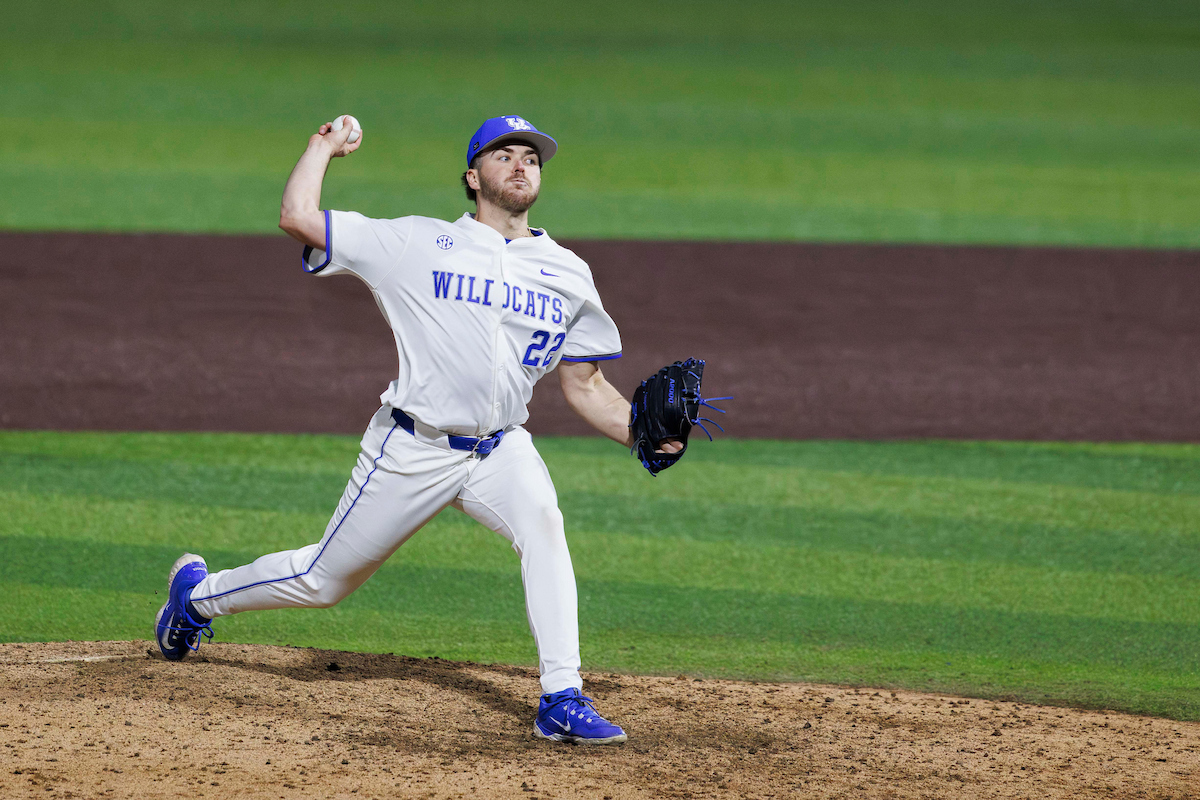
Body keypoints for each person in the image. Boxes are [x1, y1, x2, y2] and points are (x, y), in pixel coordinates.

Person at [153, 114, 679, 745]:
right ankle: (196, 598)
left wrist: (642, 434)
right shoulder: (416, 243)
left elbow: (586, 385)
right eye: (504, 154)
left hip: (501, 450)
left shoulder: (567, 271)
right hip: (413, 446)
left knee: (545, 527)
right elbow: (298, 216)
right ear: (472, 177)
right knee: (323, 581)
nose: (521, 164)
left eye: (531, 157)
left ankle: (561, 697)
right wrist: (321, 147)